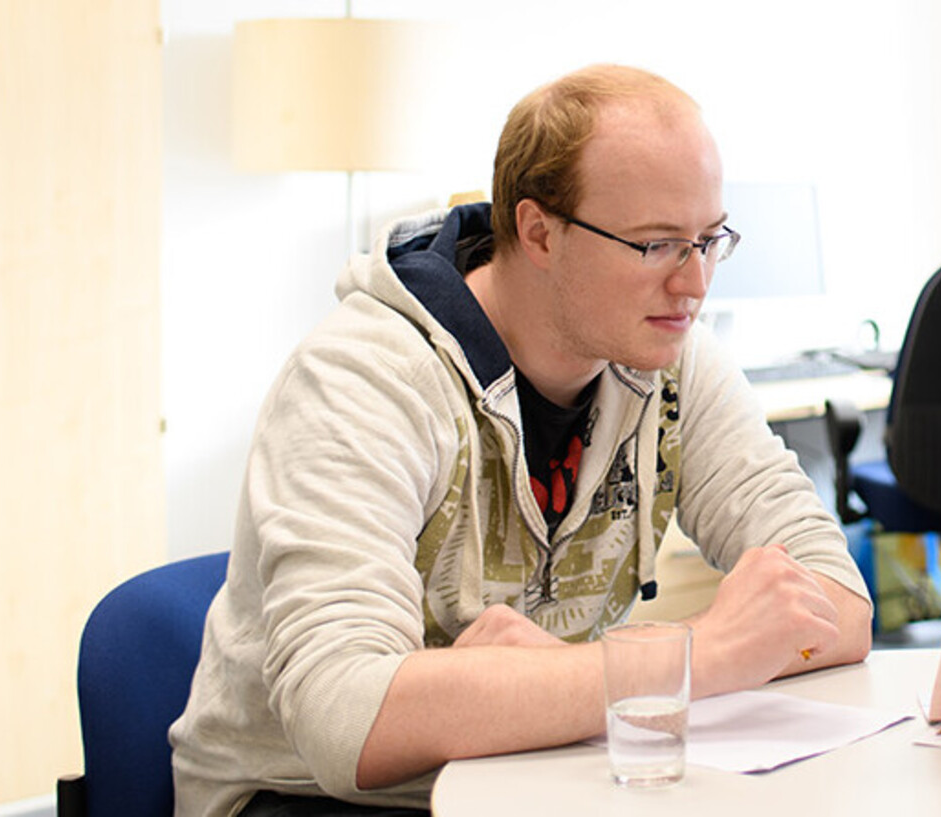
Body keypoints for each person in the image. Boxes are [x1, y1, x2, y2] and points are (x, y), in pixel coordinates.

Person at [170, 64, 873, 816]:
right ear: (539, 231)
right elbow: (347, 723)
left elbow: (840, 601)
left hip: (539, 771)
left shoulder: (673, 364)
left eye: (709, 239)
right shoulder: (364, 378)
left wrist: (557, 677)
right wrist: (698, 653)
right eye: (657, 245)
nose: (695, 284)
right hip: (311, 797)